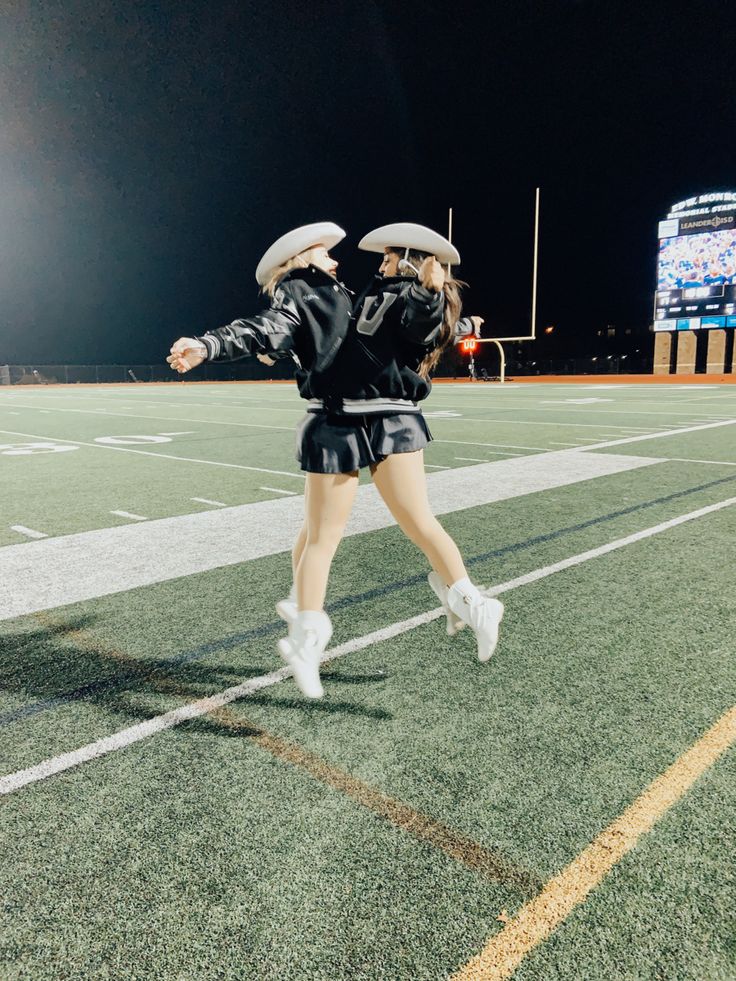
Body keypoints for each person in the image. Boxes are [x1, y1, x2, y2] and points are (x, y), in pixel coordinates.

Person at [276, 223, 503, 699]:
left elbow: (415, 328)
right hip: (366, 416)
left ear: (408, 260)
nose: (377, 265)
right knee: (324, 529)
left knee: (399, 523)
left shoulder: (410, 294)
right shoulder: (387, 292)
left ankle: (474, 604)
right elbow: (352, 336)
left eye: (386, 258)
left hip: (381, 418)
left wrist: (427, 294)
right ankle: (471, 603)